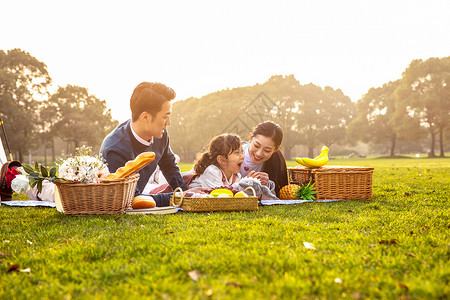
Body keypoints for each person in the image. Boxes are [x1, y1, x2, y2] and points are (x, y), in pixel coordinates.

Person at [100, 82, 186, 206]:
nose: (169, 122)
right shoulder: (115, 149)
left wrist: (186, 193)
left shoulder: (160, 135)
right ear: (145, 117)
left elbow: (169, 166)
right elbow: (132, 199)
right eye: (165, 117)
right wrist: (179, 198)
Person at [240, 121, 288, 197]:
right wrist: (246, 182)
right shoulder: (235, 153)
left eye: (267, 150)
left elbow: (279, 194)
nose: (259, 154)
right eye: (256, 145)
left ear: (276, 149)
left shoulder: (276, 160)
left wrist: (267, 185)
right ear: (251, 138)